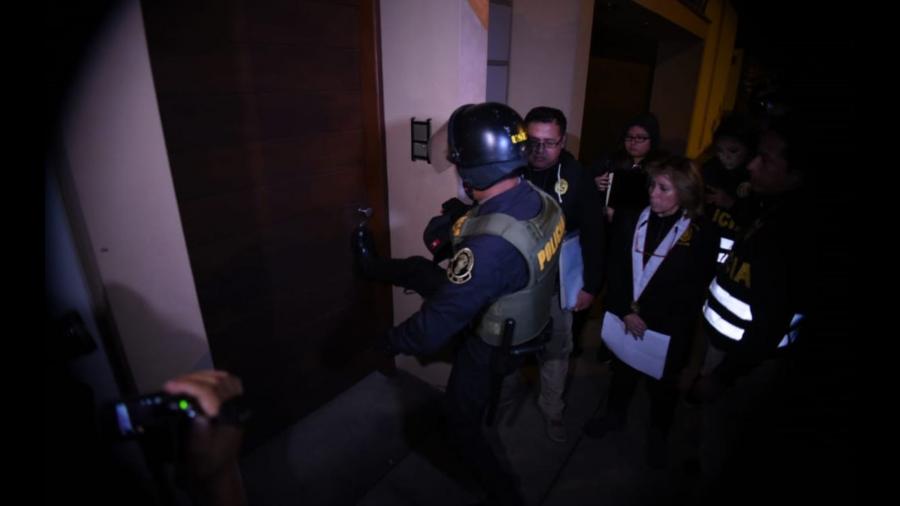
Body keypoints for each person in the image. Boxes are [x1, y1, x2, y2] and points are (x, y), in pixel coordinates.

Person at [377, 102, 565, 506]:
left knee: (461, 421)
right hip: (525, 317)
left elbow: (431, 330)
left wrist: (389, 341)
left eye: (461, 163)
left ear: (474, 170)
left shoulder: (488, 249)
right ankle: (372, 266)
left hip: (492, 341)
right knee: (419, 271)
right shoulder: (538, 199)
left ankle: (505, 496)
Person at [689, 115, 813, 495]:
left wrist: (722, 376)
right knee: (712, 431)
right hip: (722, 345)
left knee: (727, 436)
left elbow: (770, 324)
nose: (751, 165)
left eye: (765, 159)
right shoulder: (769, 209)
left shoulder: (794, 232)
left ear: (796, 174)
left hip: (744, 362)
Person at [582, 155, 717, 469]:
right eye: (652, 185)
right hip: (626, 318)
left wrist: (647, 318)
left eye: (663, 188)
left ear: (685, 192)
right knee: (622, 374)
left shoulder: (703, 232)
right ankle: (614, 417)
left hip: (667, 328)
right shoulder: (631, 219)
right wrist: (624, 311)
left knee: (663, 389)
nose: (653, 193)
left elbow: (694, 290)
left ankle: (658, 437)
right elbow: (615, 267)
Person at [515, 106, 605, 443]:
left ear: (563, 141)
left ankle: (552, 409)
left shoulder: (577, 176)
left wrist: (590, 286)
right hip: (515, 283)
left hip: (557, 283)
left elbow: (595, 235)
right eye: (532, 141)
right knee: (507, 343)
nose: (539, 151)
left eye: (549, 143)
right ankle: (504, 396)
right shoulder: (510, 166)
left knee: (556, 349)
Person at [702, 113, 758, 265]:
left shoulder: (756, 178)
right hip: (706, 246)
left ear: (748, 149)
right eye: (720, 150)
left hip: (735, 254)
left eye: (733, 151)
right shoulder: (709, 169)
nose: (725, 156)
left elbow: (754, 221)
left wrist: (730, 203)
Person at [591, 112, 662, 222]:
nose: (633, 142)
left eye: (640, 138)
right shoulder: (610, 160)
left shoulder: (660, 167)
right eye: (629, 137)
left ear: (652, 139)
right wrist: (594, 183)